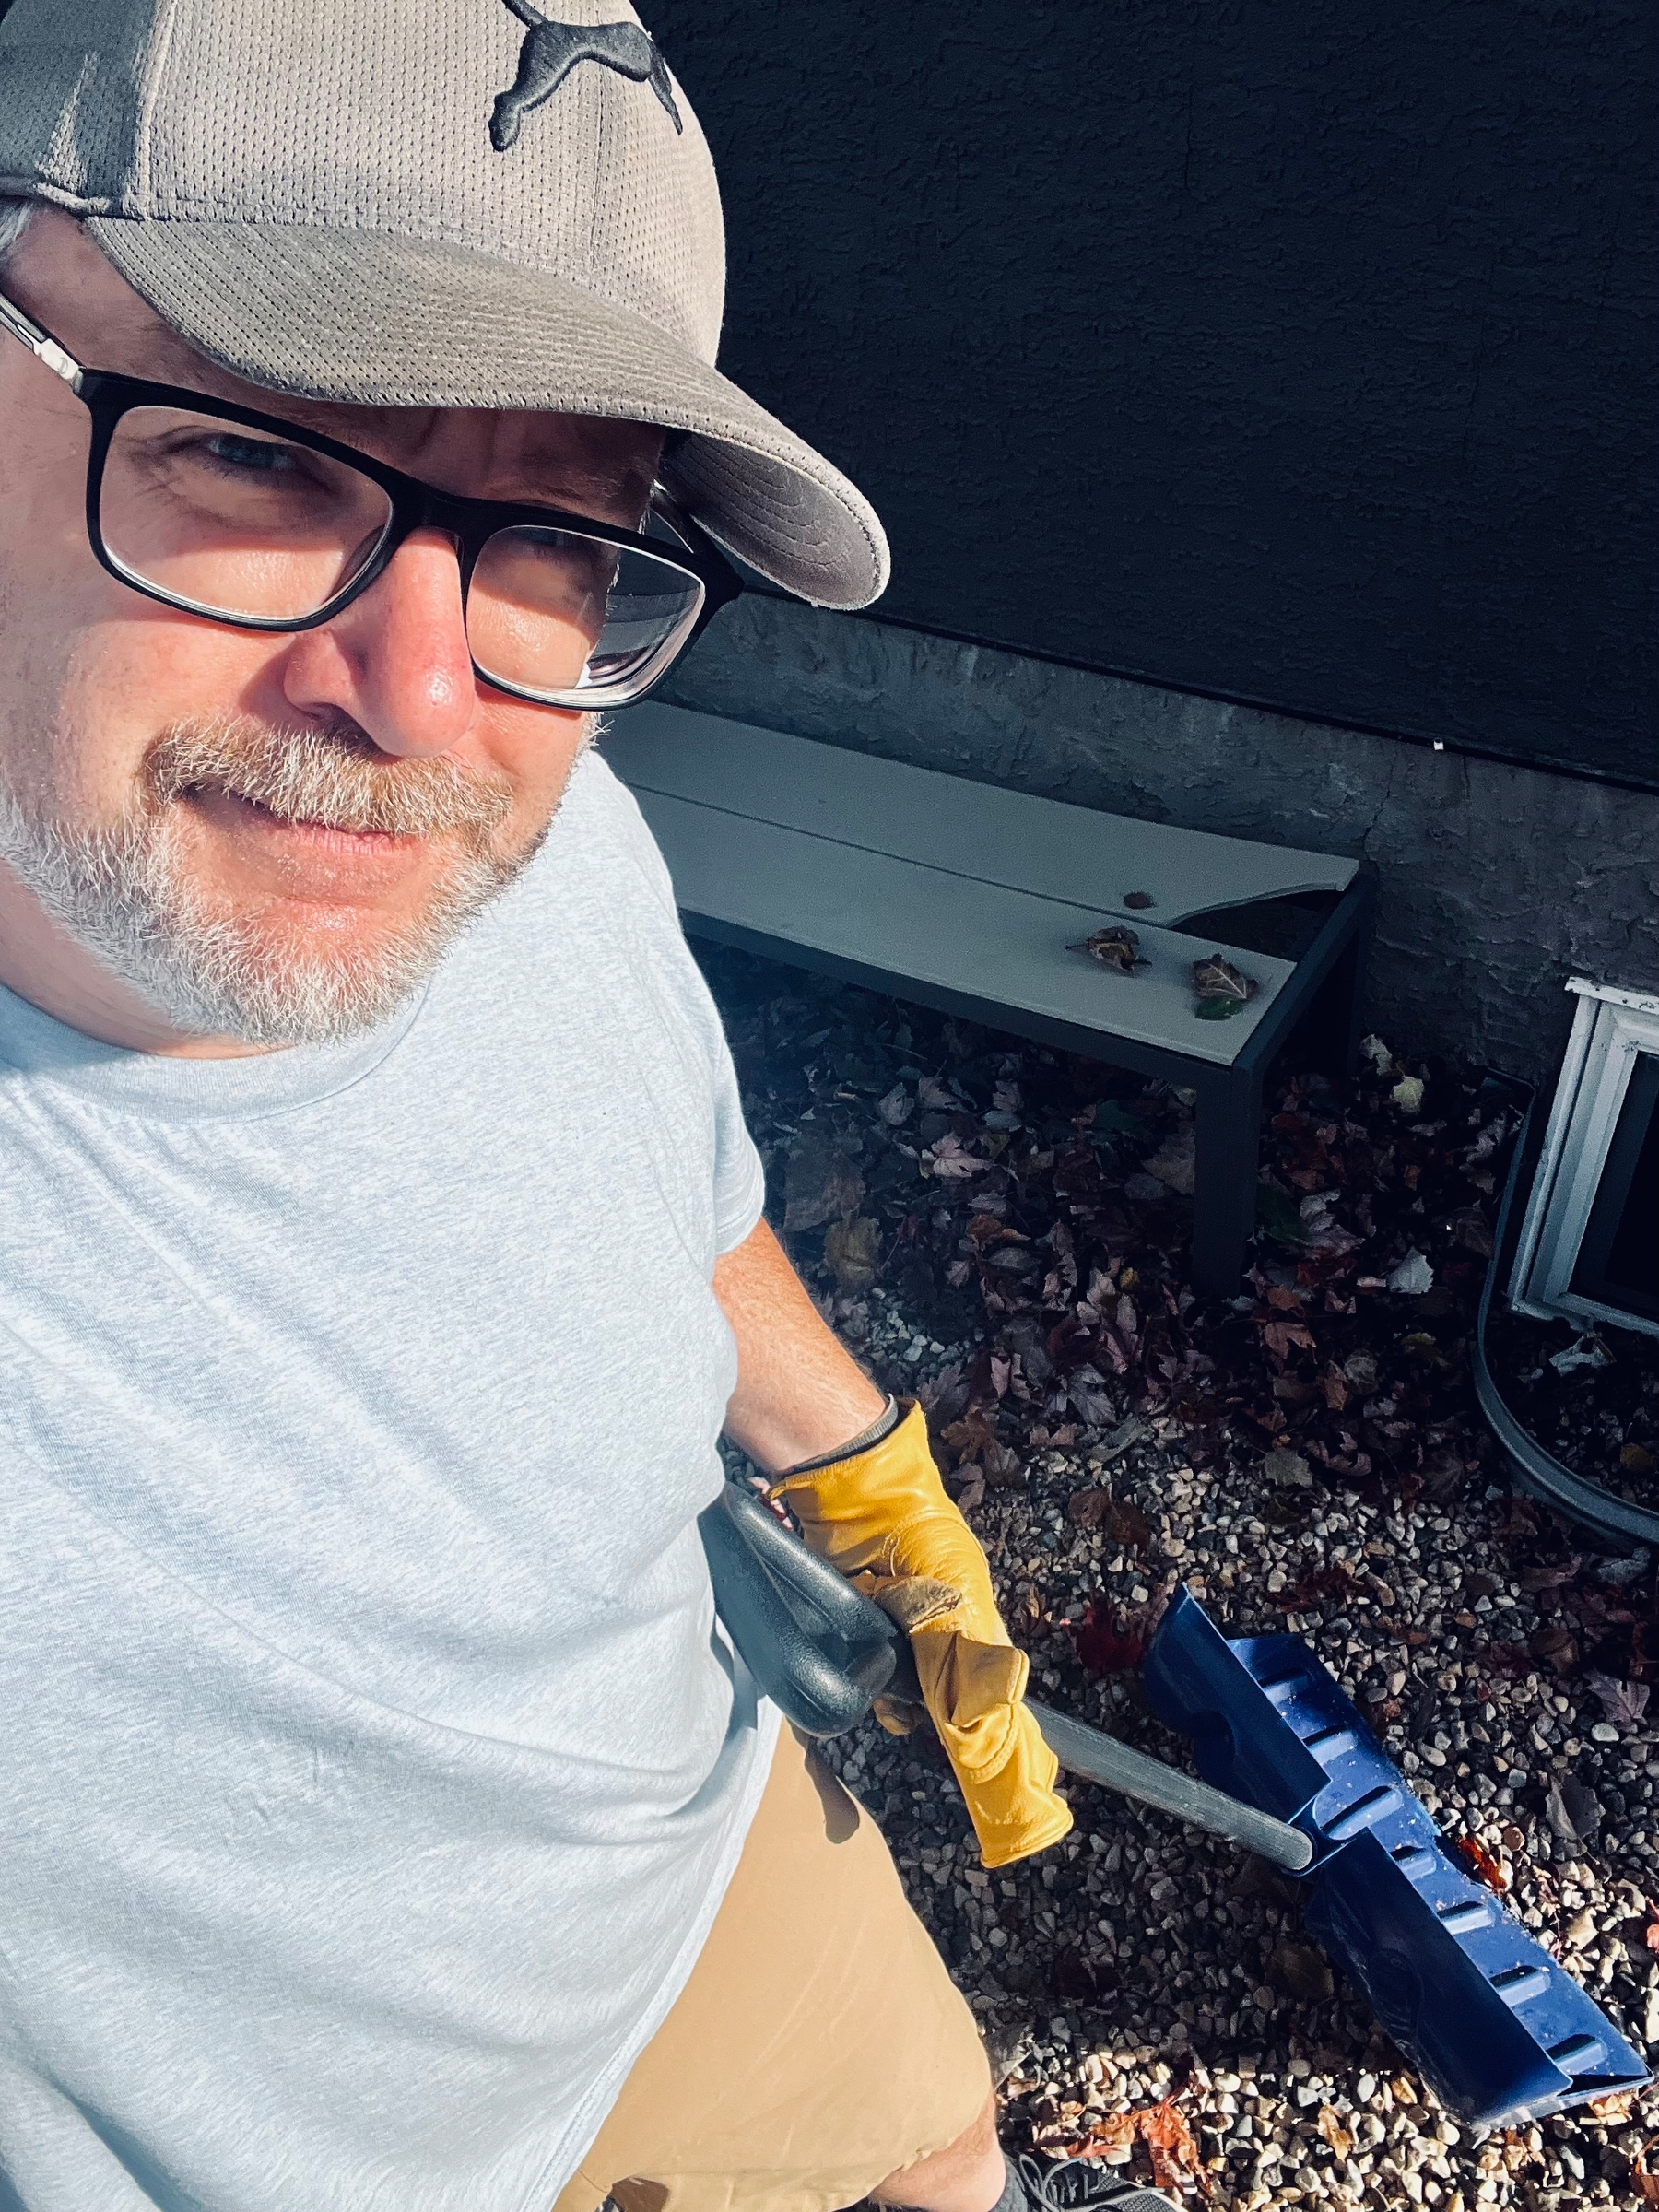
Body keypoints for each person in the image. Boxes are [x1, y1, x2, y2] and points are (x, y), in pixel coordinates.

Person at [0, 6, 1178, 2210]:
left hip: (695, 1876)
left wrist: (864, 1469)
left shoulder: (551, 847)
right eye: (254, 452)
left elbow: (666, 1191)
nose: (425, 695)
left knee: (945, 2144)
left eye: (558, 530)